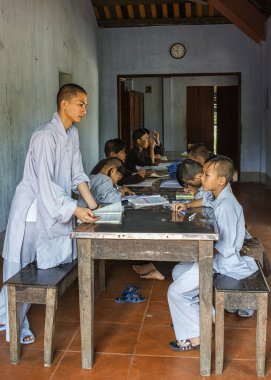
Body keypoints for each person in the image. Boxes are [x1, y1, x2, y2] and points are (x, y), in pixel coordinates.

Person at [0, 83, 99, 344]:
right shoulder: (45, 136)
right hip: (33, 211)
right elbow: (45, 184)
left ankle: (3, 315)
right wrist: (74, 209)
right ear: (64, 104)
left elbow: (78, 174)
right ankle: (16, 326)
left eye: (86, 105)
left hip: (54, 207)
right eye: (81, 104)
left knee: (32, 269)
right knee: (20, 273)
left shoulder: (72, 134)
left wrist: (94, 206)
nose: (84, 110)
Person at [168, 156, 258, 352]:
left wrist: (197, 248)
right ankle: (205, 316)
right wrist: (187, 205)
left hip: (225, 263)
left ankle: (195, 337)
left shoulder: (227, 206)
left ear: (221, 180)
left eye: (206, 175)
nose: (202, 179)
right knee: (177, 271)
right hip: (216, 259)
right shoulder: (219, 195)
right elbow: (205, 201)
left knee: (175, 292)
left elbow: (226, 248)